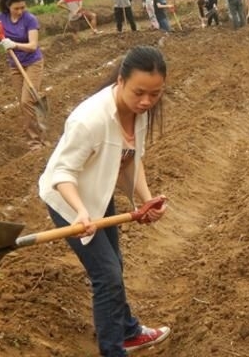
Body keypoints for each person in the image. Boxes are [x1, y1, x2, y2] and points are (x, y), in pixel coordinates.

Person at [38, 45, 171, 357]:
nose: (146, 101)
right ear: (121, 81)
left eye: (155, 94)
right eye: (140, 92)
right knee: (106, 276)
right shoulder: (90, 120)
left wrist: (148, 200)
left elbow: (131, 160)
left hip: (97, 191)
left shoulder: (140, 112)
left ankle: (128, 331)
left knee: (115, 267)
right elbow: (62, 173)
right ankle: (113, 350)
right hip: (67, 199)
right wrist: (81, 212)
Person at [0, 0, 47, 150]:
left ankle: (35, 141)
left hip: (33, 62)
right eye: (16, 8)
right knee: (23, 102)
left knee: (27, 100)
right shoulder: (1, 19)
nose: (20, 11)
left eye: (22, 7)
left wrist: (14, 44)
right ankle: (35, 131)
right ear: (7, 6)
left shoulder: (30, 19)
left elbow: (33, 46)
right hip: (15, 65)